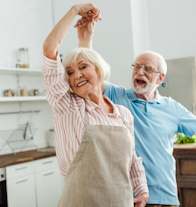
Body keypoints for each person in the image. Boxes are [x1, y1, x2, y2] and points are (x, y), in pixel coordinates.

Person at [76, 13, 196, 207]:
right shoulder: (117, 96)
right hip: (127, 197)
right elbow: (90, 78)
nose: (140, 72)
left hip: (166, 198)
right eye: (137, 67)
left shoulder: (171, 107)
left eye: (147, 69)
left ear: (160, 78)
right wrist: (85, 39)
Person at [42, 3, 149, 207]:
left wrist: (142, 190)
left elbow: (132, 159)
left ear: (99, 71)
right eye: (70, 73)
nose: (77, 75)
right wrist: (74, 10)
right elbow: (50, 49)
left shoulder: (123, 115)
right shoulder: (68, 107)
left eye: (83, 67)